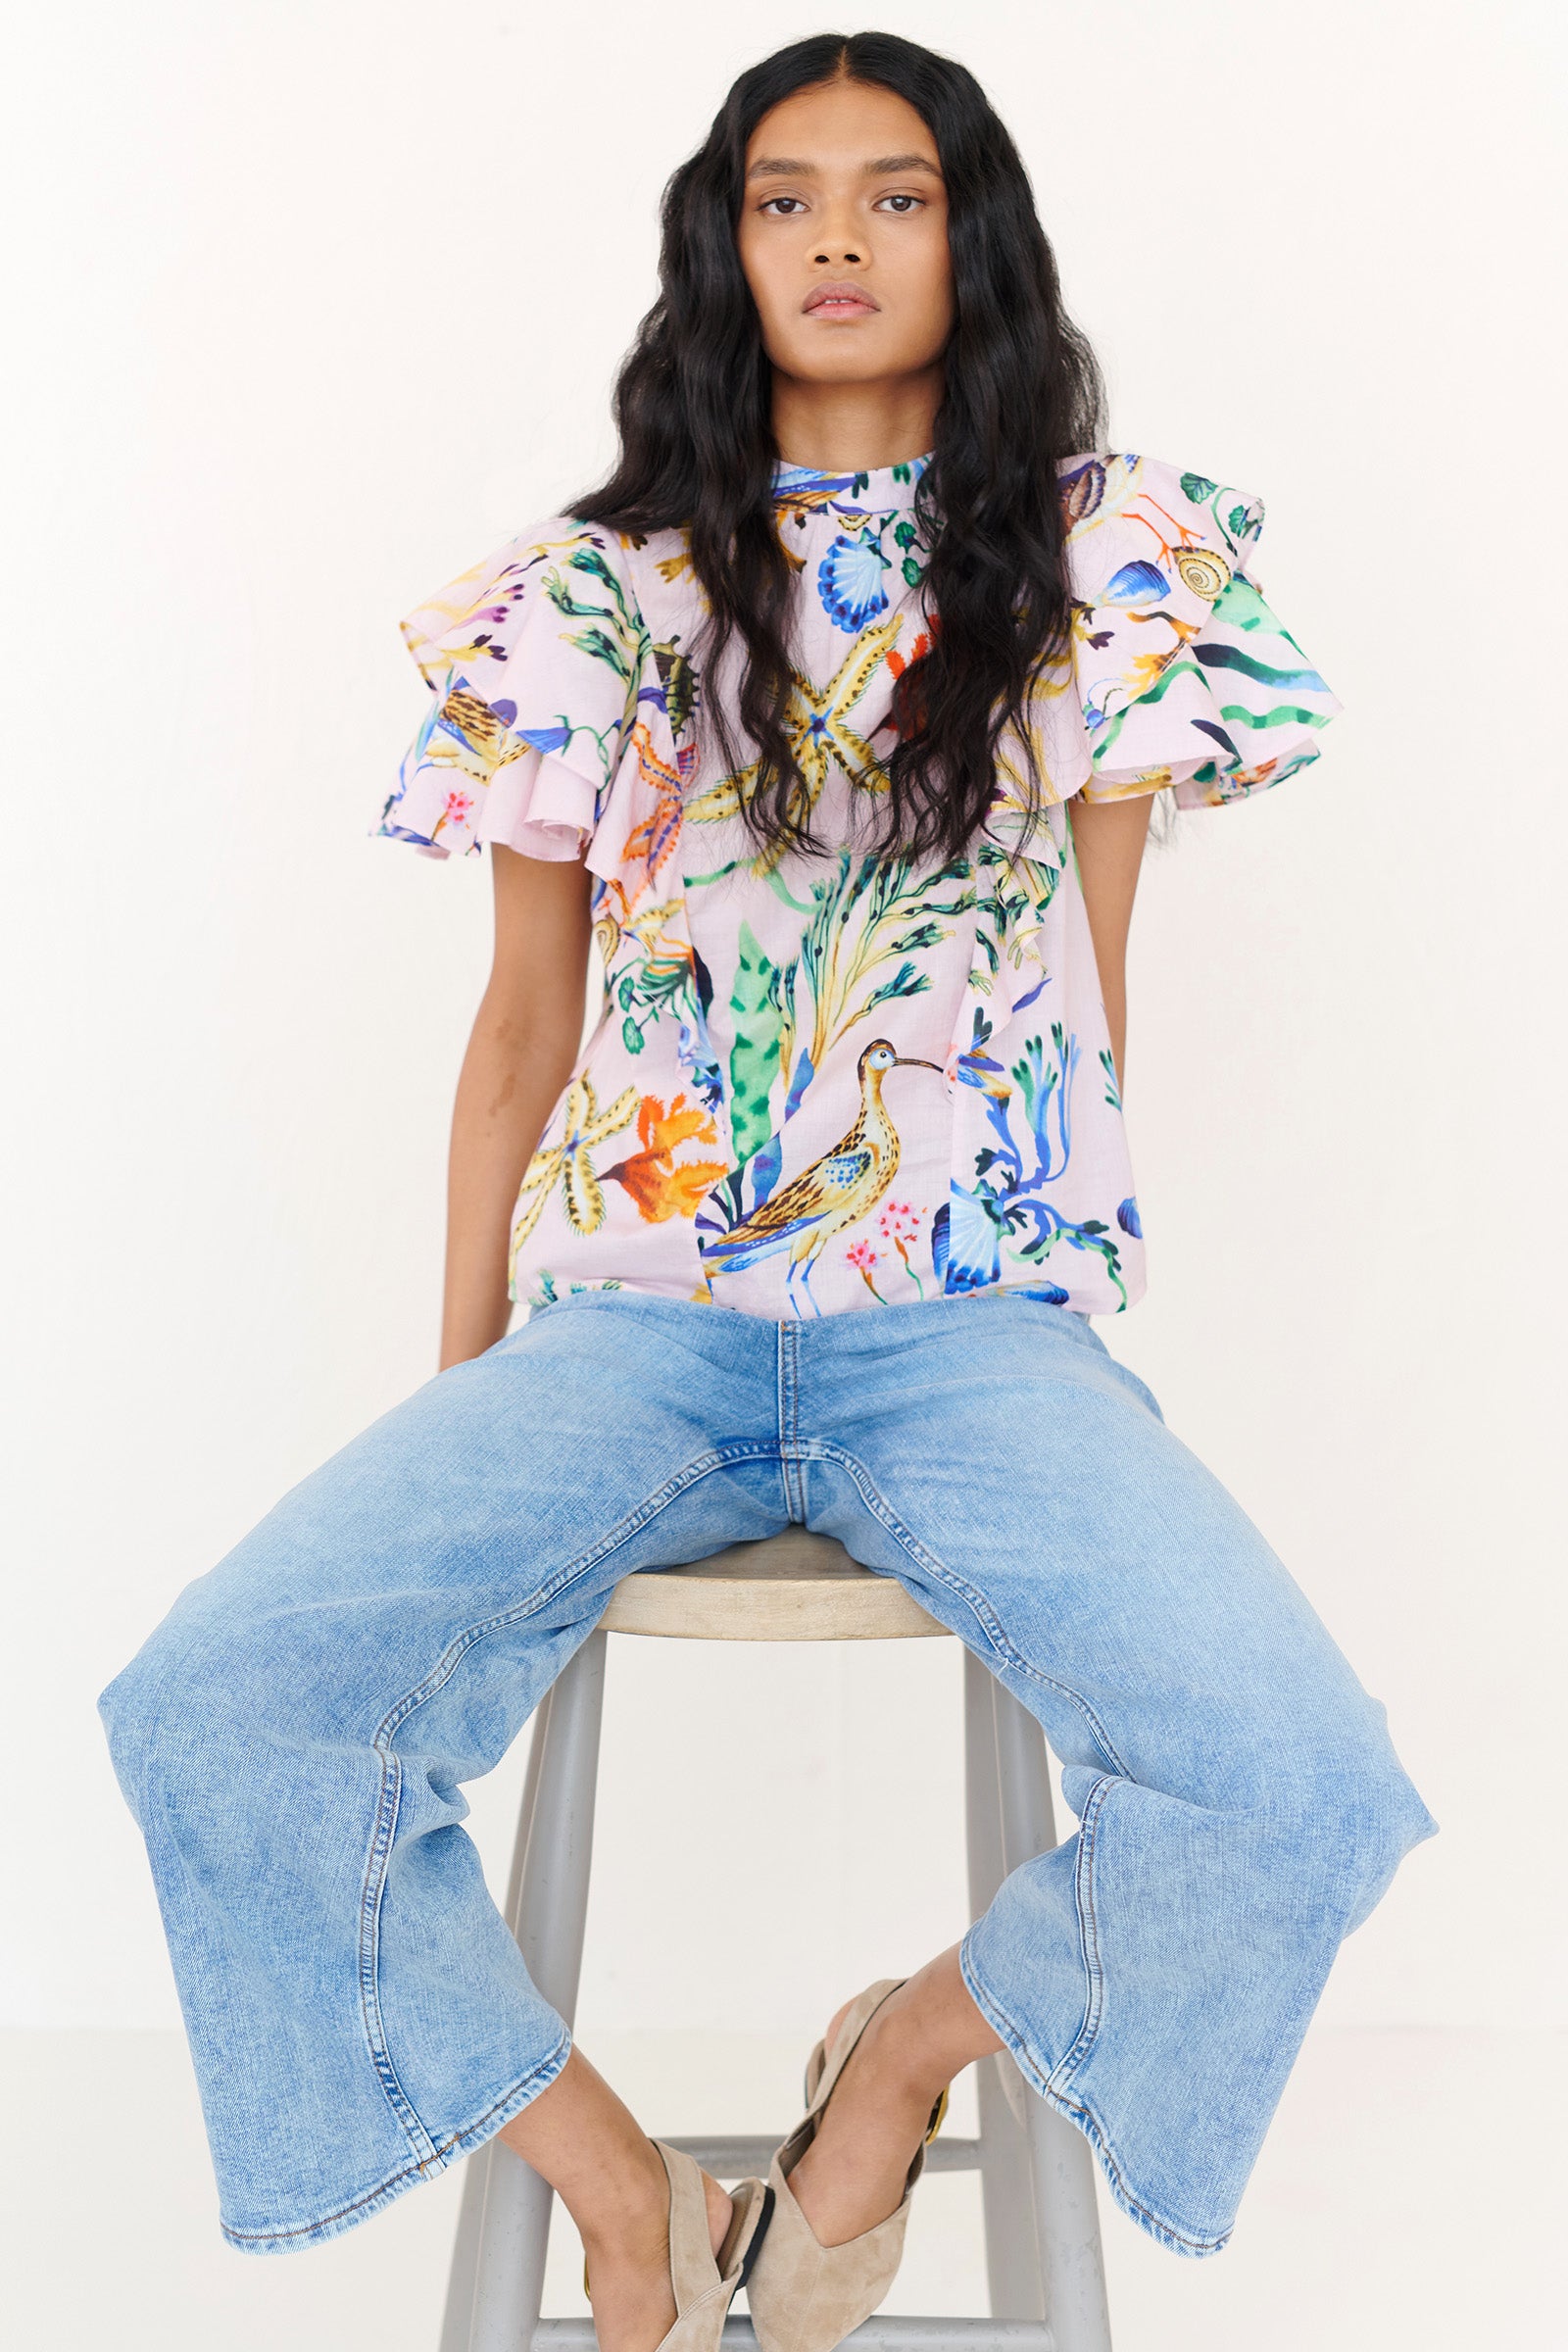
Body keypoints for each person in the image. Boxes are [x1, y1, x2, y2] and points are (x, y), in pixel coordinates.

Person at [99, 29, 1437, 2352]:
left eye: (892, 195)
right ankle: (615, 2192)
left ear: (968, 235)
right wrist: (463, 1388)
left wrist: (1047, 1297)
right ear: (721, 247)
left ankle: (886, 2075)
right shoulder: (589, 601)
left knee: (1294, 1783)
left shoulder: (1113, 562)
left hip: (966, 1326)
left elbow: (1079, 1002)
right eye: (784, 195)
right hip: (628, 1328)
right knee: (215, 1702)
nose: (834, 237)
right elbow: (520, 1035)